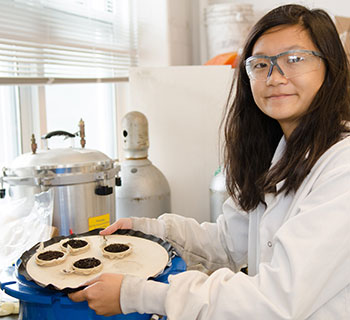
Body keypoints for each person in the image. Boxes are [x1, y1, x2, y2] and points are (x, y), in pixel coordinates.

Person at [69, 4, 350, 319]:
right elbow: (231, 242)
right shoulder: (282, 152)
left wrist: (139, 294)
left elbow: (276, 298)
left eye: (294, 59)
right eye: (260, 64)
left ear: (331, 67)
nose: (274, 77)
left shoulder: (342, 167)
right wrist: (151, 230)